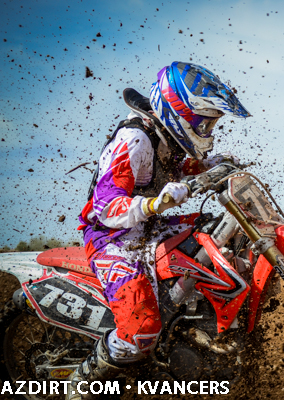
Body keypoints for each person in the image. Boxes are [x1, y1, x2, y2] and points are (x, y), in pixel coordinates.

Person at [68, 62, 250, 399]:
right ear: (180, 112)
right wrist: (155, 203)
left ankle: (190, 319)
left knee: (221, 230)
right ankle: (79, 387)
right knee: (140, 332)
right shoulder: (135, 139)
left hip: (149, 228)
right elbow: (106, 206)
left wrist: (214, 165)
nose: (208, 129)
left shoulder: (167, 135)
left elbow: (176, 166)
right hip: (112, 238)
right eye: (205, 122)